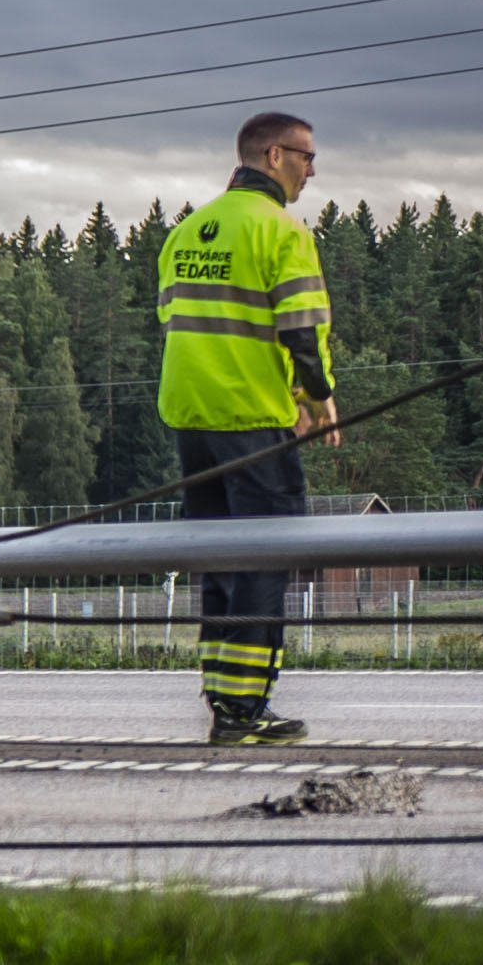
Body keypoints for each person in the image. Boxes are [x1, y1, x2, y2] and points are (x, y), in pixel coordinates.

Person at [156, 110, 338, 744]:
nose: (313, 170)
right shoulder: (281, 231)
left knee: (220, 565)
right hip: (253, 422)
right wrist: (317, 395)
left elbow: (174, 322)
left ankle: (222, 704)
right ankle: (245, 712)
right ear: (273, 156)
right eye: (307, 157)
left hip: (191, 422)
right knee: (266, 559)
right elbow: (301, 331)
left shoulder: (185, 232)